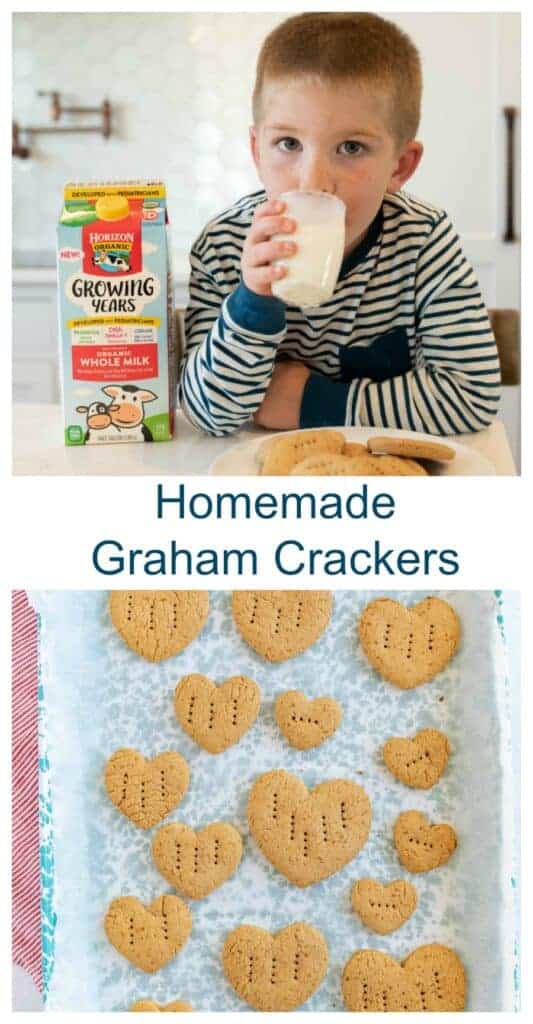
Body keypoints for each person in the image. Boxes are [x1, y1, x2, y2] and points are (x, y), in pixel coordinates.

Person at [179, 12, 501, 437]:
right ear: (257, 151)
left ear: (400, 166)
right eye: (288, 143)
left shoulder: (424, 239)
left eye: (350, 147)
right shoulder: (225, 244)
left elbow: (471, 396)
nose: (313, 182)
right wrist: (253, 301)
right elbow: (208, 416)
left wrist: (311, 404)